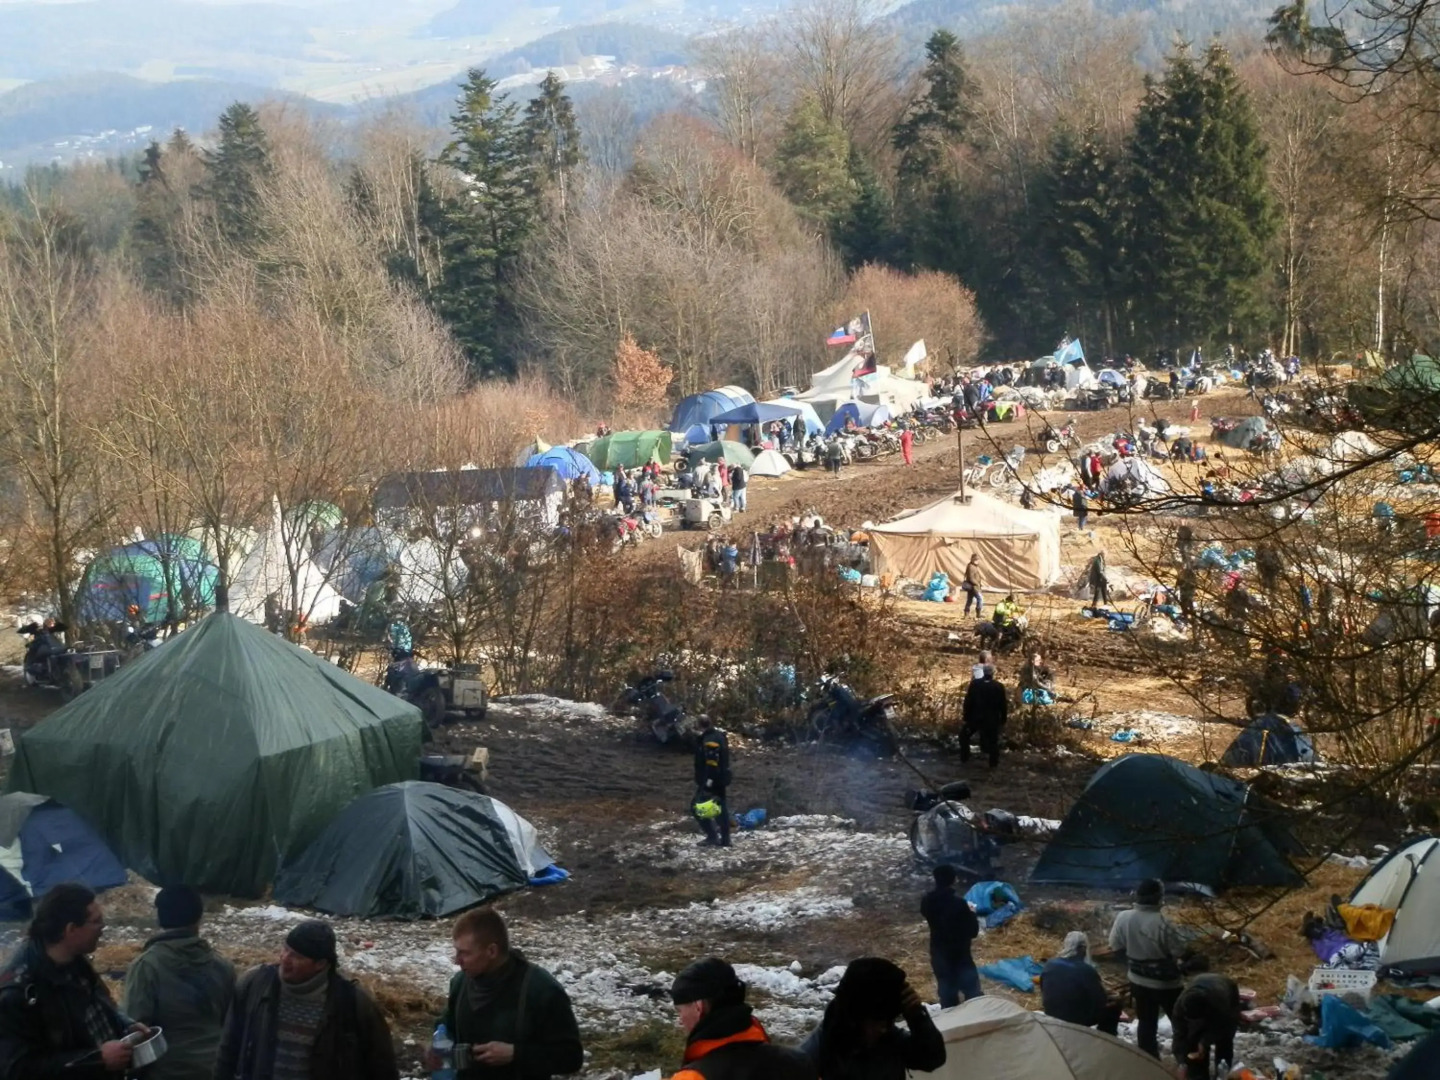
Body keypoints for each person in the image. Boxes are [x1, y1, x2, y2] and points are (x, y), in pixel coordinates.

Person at [214, 919, 398, 1080]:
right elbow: (228, 1048)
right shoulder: (254, 985)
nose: (285, 959)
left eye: (297, 956)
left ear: (321, 964)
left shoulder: (352, 1003)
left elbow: (382, 1066)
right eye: (286, 950)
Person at [0, 883, 148, 1078]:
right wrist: (96, 1059)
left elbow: (97, 1005)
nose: (103, 928)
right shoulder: (19, 992)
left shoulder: (75, 960)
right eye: (96, 921)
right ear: (71, 929)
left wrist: (124, 1025)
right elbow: (17, 1069)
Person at [429, 909, 582, 1080]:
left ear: (492, 951)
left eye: (465, 953)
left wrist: (515, 1054)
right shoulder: (460, 983)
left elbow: (572, 1057)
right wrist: (436, 1049)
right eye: (457, 952)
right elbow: (446, 1025)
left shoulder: (540, 990)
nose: (457, 961)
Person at [122, 885, 236, 1080]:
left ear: (159, 918)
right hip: (215, 1069)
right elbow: (232, 1024)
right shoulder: (222, 966)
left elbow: (134, 1026)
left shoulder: (147, 966)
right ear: (199, 917)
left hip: (167, 1071)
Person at [799, 958, 944, 1080]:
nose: (884, 1029)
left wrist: (917, 1017)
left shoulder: (888, 1040)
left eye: (889, 1021)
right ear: (855, 1019)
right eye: (877, 1022)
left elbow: (931, 1058)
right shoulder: (816, 1052)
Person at [668, 958, 813, 1080]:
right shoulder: (799, 1064)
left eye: (680, 1011)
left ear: (698, 1007)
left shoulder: (694, 1076)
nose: (680, 1020)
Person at [1107, 879, 1187, 1059]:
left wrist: (1132, 965)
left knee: (1146, 1021)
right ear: (1159, 897)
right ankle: (1184, 1058)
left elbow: (1115, 946)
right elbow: (1179, 951)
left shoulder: (1123, 917)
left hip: (1138, 980)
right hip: (1167, 984)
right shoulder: (1163, 923)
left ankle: (1148, 1060)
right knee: (1179, 1022)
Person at [920, 866, 981, 1007]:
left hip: (939, 955)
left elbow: (926, 914)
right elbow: (973, 931)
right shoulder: (959, 904)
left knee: (947, 998)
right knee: (973, 995)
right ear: (954, 880)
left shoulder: (927, 901)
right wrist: (971, 912)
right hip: (961, 957)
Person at [1040, 932, 1119, 1035]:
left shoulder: (1049, 964)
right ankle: (1106, 1038)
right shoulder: (1086, 970)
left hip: (1051, 1013)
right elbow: (1100, 1000)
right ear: (1082, 948)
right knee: (1114, 1006)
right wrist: (1110, 995)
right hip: (1076, 1020)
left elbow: (1043, 988)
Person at [1171, 968, 1241, 1080]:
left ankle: (1223, 1072)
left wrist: (1204, 1042)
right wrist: (1182, 1061)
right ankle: (1199, 1075)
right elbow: (1179, 1035)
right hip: (1202, 983)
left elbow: (1220, 1027)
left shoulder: (1219, 1003)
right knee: (1192, 1040)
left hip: (1225, 988)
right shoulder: (1179, 1009)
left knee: (1225, 1039)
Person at [694, 716, 732, 848]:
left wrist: (708, 783)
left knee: (697, 807)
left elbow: (712, 763)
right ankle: (725, 839)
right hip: (721, 778)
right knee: (720, 808)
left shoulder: (710, 740)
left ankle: (712, 836)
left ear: (699, 725)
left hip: (713, 780)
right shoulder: (718, 736)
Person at [959, 664, 1007, 767]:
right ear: (993, 673)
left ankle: (964, 758)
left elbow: (968, 701)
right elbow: (1003, 705)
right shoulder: (998, 686)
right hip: (991, 720)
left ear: (983, 672)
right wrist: (1003, 719)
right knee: (993, 742)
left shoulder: (975, 684)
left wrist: (966, 716)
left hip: (975, 718)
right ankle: (993, 764)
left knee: (964, 736)